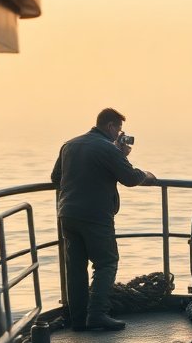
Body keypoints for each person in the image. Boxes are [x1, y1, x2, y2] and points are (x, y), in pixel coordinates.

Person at [50, 108, 155, 331]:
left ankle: (77, 320)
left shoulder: (70, 144)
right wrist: (146, 174)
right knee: (106, 263)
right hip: (95, 216)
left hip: (67, 214)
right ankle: (97, 314)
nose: (120, 134)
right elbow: (129, 177)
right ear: (110, 127)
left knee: (76, 268)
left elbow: (55, 178)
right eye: (119, 129)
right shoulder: (108, 149)